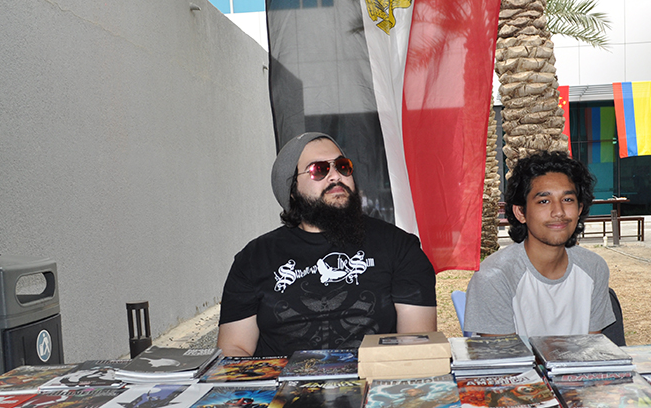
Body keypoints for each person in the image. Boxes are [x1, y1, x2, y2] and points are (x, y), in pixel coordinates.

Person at [217, 132, 437, 356]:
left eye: (342, 166)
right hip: (283, 379)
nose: (335, 176)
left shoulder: (398, 246)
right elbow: (234, 349)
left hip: (374, 376)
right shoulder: (254, 259)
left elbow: (416, 344)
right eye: (319, 169)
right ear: (291, 190)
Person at [464, 151, 615, 336]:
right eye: (544, 201)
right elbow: (503, 354)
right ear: (521, 213)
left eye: (568, 199)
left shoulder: (594, 268)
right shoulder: (494, 277)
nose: (558, 212)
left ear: (579, 209)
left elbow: (591, 348)